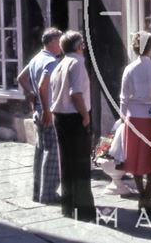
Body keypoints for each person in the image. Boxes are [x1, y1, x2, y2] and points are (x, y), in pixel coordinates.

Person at [49, 30, 95, 221]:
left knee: (66, 164)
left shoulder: (60, 64)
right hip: (74, 117)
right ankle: (83, 210)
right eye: (82, 44)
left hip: (60, 116)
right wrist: (85, 117)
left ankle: (68, 207)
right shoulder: (77, 63)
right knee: (81, 164)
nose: (83, 48)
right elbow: (76, 94)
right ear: (78, 46)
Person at [119, 31, 151, 213]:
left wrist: (122, 119)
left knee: (136, 158)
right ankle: (147, 196)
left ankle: (142, 196)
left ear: (134, 47)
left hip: (134, 116)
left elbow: (123, 98)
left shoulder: (129, 69)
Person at [17, 28, 62, 204]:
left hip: (38, 111)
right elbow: (43, 87)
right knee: (52, 153)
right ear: (51, 42)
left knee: (40, 151)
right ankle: (48, 194)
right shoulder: (51, 61)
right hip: (46, 112)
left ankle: (38, 192)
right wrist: (46, 110)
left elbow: (21, 77)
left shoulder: (37, 58)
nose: (61, 46)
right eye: (59, 41)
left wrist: (30, 93)